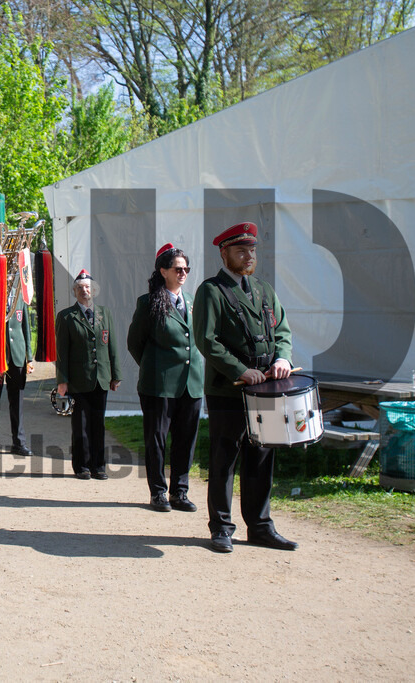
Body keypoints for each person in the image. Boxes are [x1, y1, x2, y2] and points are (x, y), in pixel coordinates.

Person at [193, 221, 297, 554]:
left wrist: (282, 358)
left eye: (251, 250)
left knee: (261, 458)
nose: (248, 256)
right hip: (228, 389)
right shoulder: (211, 291)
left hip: (266, 389)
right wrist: (241, 370)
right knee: (224, 460)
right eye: (241, 251)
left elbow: (282, 330)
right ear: (224, 254)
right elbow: (207, 339)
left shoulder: (264, 290)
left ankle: (261, 527)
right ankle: (221, 528)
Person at [127, 243, 203, 513]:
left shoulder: (193, 301)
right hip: (159, 385)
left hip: (191, 384)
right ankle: (158, 492)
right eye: (178, 269)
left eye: (186, 269)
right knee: (157, 441)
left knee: (185, 440)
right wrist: (154, 367)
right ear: (163, 271)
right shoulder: (148, 302)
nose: (183, 273)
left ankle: (179, 492)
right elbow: (135, 342)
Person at [56, 269, 122, 480]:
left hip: (101, 378)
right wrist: (62, 381)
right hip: (78, 380)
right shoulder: (66, 316)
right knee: (81, 425)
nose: (84, 291)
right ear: (74, 292)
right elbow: (62, 352)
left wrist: (116, 374)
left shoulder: (105, 313)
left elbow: (112, 345)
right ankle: (82, 466)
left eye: (87, 287)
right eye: (80, 288)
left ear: (94, 291)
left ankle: (98, 466)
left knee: (98, 424)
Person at [0, 295, 34, 457]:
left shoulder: (20, 298)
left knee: (17, 402)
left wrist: (29, 358)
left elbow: (26, 328)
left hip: (17, 356)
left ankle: (19, 443)